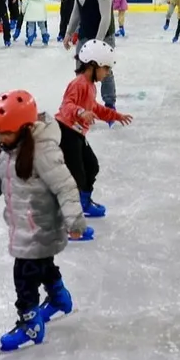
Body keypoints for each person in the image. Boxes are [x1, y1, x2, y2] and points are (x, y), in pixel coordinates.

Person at [0, 90, 88, 351]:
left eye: (5, 133)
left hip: (40, 229)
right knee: (44, 267)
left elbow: (65, 187)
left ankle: (31, 325)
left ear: (24, 128)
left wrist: (74, 222)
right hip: (24, 228)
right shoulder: (6, 152)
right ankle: (60, 299)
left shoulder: (43, 152)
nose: (0, 138)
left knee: (24, 278)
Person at [56, 40, 133, 225]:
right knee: (77, 175)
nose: (107, 73)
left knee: (91, 167)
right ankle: (69, 214)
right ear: (93, 65)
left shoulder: (90, 85)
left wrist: (115, 115)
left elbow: (95, 108)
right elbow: (67, 105)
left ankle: (84, 203)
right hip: (66, 132)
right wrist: (80, 112)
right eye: (105, 68)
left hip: (77, 134)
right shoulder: (78, 83)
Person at [63, 0, 118, 109]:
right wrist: (68, 33)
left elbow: (106, 18)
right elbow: (76, 12)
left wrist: (97, 44)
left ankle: (109, 104)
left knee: (104, 72)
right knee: (81, 72)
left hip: (103, 37)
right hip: (84, 35)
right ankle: (84, 102)